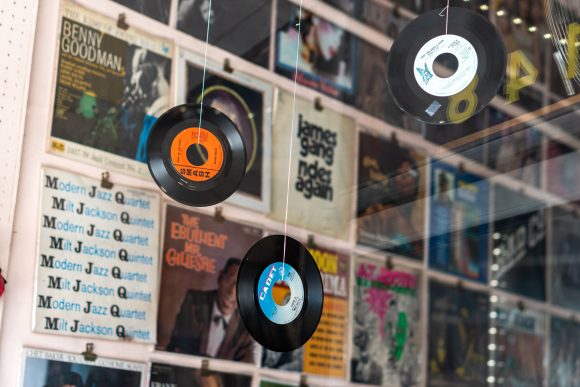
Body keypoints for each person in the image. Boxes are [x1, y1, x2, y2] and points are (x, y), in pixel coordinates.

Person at [167, 258, 254, 363]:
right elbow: (181, 349)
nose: (232, 291)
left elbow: (244, 373)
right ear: (220, 277)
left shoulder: (247, 327)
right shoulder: (194, 302)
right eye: (229, 280)